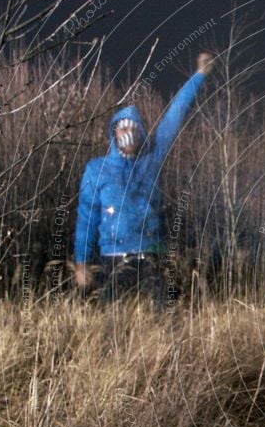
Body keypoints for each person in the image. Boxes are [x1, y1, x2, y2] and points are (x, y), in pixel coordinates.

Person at [73, 52, 213, 306]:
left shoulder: (151, 160)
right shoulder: (97, 169)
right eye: (122, 127)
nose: (128, 132)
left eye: (133, 127)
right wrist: (81, 263)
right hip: (113, 257)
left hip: (151, 255)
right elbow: (86, 218)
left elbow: (175, 115)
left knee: (165, 316)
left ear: (142, 131)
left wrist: (199, 75)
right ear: (114, 132)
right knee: (113, 319)